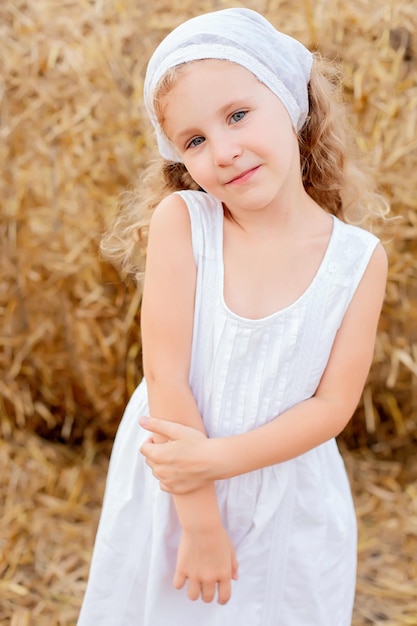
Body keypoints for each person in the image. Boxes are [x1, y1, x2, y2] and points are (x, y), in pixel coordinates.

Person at [77, 7, 389, 626]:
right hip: (176, 491)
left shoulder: (357, 261)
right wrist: (199, 518)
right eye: (193, 140)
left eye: (238, 115)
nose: (223, 151)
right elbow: (167, 377)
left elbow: (331, 409)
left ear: (291, 103)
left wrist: (220, 461)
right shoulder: (186, 227)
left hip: (286, 500)